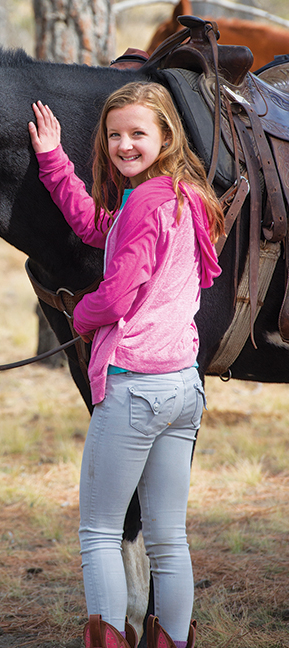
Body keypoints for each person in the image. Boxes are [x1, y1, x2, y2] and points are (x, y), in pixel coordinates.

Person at [28, 82, 224, 648]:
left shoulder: (144, 203)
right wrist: (53, 161)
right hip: (183, 387)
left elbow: (115, 297)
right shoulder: (187, 197)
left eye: (138, 133)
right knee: (168, 537)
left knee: (98, 533)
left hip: (135, 387)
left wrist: (79, 314)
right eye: (115, 135)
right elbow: (99, 228)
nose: (123, 144)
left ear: (165, 136)